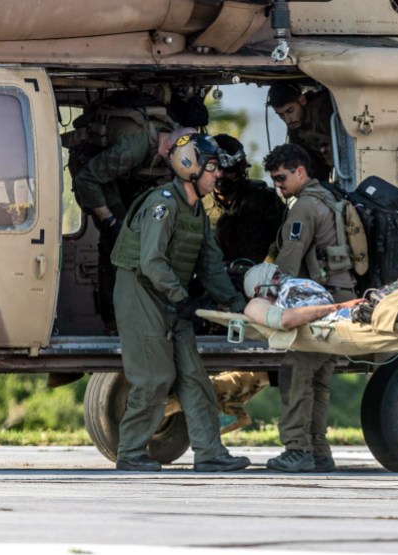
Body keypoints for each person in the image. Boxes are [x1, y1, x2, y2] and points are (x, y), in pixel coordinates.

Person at [110, 132, 250, 472]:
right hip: (141, 293)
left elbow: (211, 263)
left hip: (173, 297)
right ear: (190, 167)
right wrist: (181, 298)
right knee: (154, 376)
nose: (218, 176)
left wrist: (235, 304)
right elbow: (151, 262)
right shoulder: (163, 204)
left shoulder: (195, 212)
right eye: (212, 168)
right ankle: (130, 452)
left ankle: (210, 453)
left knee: (193, 376)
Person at [260, 144, 357, 472]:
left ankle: (297, 449)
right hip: (340, 298)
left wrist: (269, 297)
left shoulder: (304, 206)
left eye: (282, 177)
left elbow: (289, 260)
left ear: (300, 171)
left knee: (296, 374)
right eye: (274, 180)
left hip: (318, 302)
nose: (278, 185)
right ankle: (318, 450)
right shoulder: (331, 199)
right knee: (318, 379)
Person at [71, 104, 183, 335]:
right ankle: (114, 323)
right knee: (118, 240)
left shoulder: (168, 141)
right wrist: (109, 221)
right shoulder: (133, 148)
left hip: (121, 172)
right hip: (90, 168)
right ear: (170, 148)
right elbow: (86, 180)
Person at [202, 134, 286, 264]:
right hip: (213, 275)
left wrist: (266, 268)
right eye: (215, 168)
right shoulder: (198, 202)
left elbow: (283, 238)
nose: (220, 175)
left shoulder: (263, 198)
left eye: (227, 170)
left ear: (240, 170)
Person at [243, 262, 362, 332]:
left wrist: (339, 307)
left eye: (277, 276)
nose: (278, 279)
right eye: (275, 277)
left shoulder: (289, 290)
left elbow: (286, 320)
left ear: (258, 290)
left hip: (334, 330)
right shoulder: (296, 285)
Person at [267, 83, 334, 182]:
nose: (288, 119)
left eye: (290, 111)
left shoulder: (324, 112)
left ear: (302, 100)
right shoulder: (296, 127)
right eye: (281, 115)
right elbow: (306, 163)